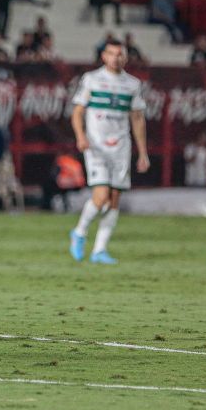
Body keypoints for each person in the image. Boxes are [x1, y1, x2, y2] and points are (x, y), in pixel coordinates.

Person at [69, 39, 149, 265]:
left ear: (125, 57)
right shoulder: (92, 79)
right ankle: (80, 232)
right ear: (104, 56)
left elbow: (137, 118)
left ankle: (99, 250)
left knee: (114, 199)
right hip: (96, 146)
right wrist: (81, 136)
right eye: (112, 54)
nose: (116, 58)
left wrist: (142, 152)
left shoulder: (132, 84)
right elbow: (77, 112)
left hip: (121, 147)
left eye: (120, 54)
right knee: (101, 195)